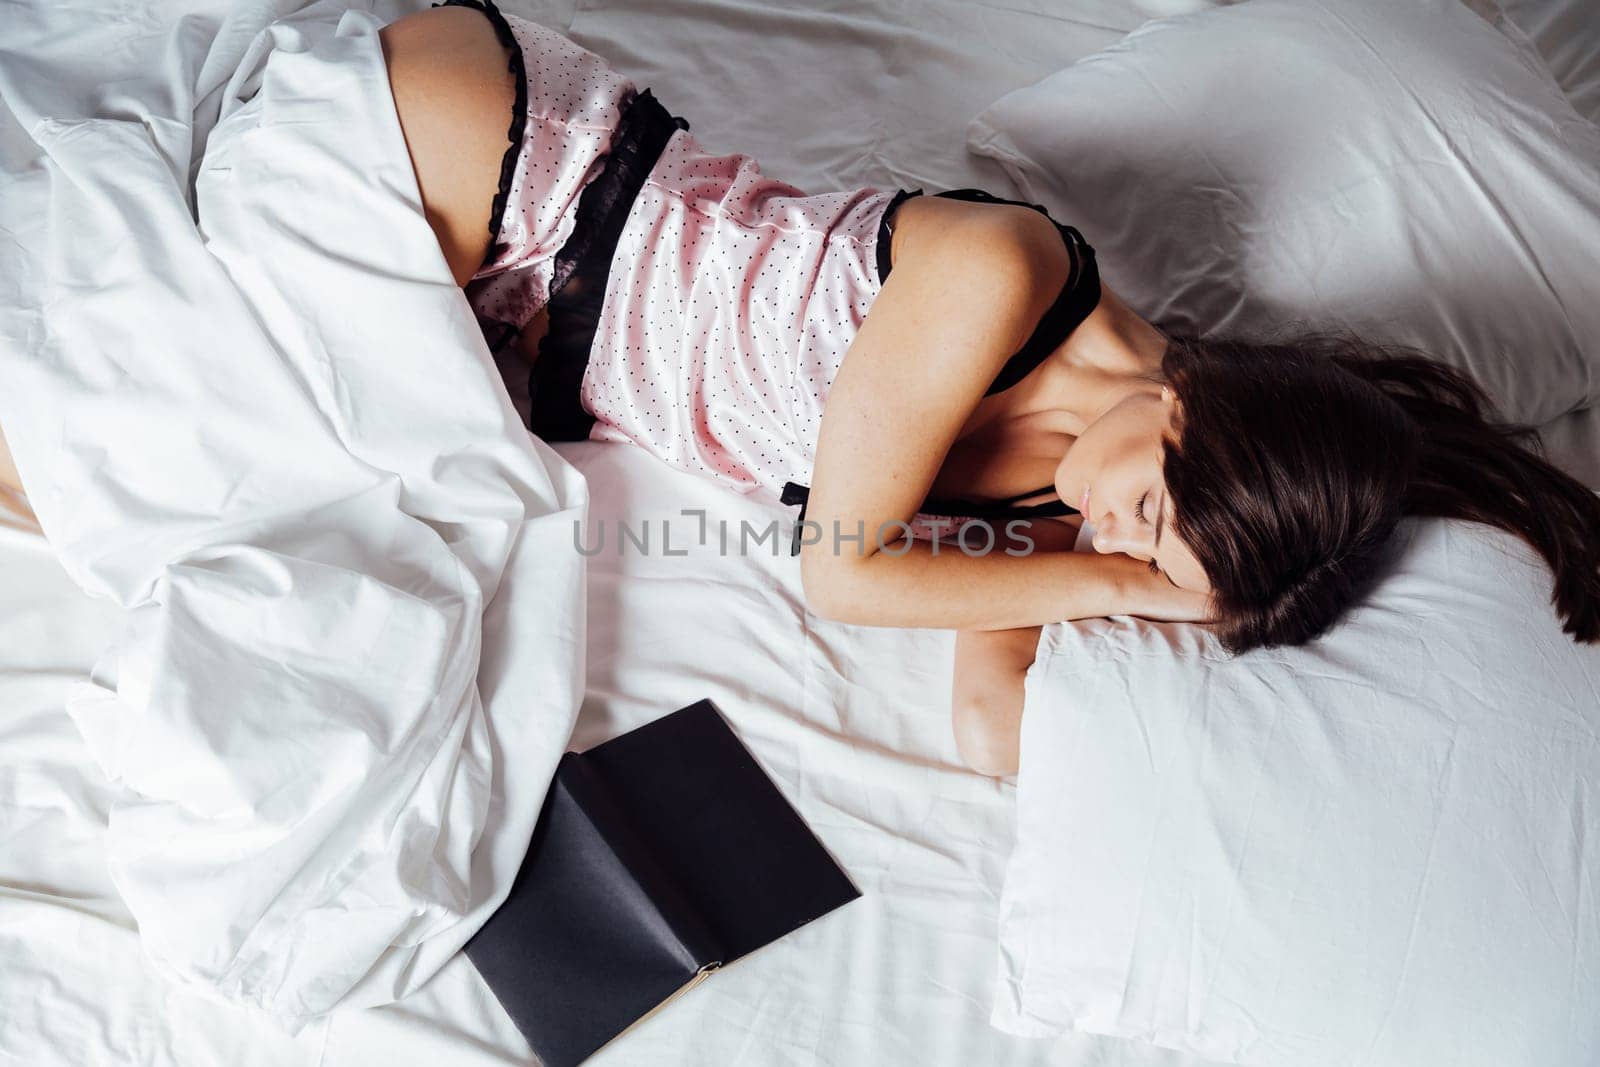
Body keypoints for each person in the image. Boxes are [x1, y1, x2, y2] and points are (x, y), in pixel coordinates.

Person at [7, 0, 1593, 778]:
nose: (1115, 535)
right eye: (1146, 512)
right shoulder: (1005, 278)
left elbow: (989, 726)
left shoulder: (1065, 494)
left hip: (500, 323)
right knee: (168, 473)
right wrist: (1129, 574)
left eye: (1143, 551)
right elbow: (843, 576)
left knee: (167, 501)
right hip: (495, 175)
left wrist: (1172, 620)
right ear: (1189, 405)